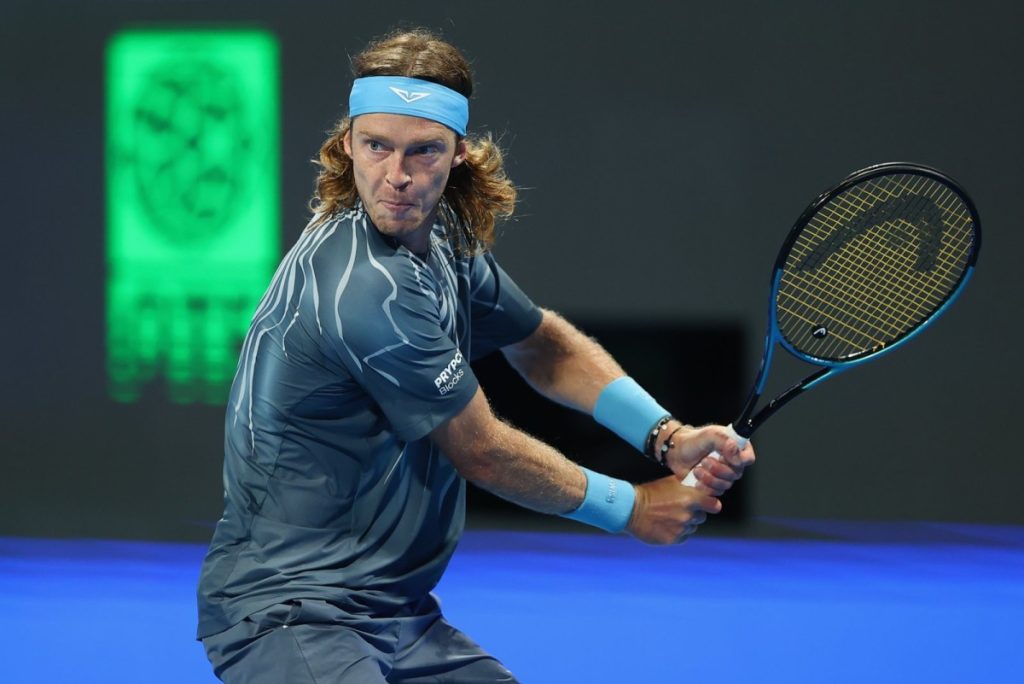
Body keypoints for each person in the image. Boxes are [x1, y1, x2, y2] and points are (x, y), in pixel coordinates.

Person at [196, 28, 756, 684]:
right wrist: (631, 507)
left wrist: (666, 436)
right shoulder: (365, 287)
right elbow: (482, 450)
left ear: (459, 152)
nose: (397, 176)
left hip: (397, 614)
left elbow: (541, 343)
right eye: (376, 146)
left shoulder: (444, 242)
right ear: (347, 143)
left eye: (423, 150)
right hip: (290, 612)